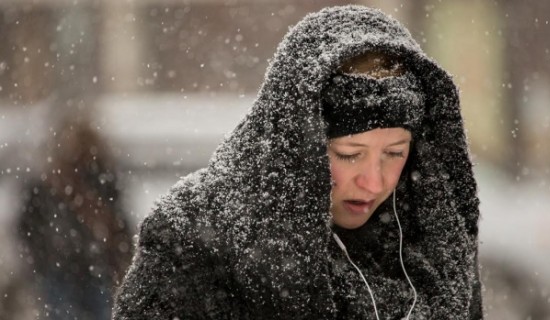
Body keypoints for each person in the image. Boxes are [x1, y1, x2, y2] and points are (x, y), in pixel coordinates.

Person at [113, 5, 482, 319]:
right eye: (349, 155)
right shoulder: (197, 241)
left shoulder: (434, 243)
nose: (374, 182)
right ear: (297, 147)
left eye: (394, 153)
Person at [18, 118, 133, 319]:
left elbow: (27, 227)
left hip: (83, 267)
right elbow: (27, 226)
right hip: (72, 268)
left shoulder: (99, 178)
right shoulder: (52, 182)